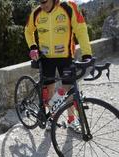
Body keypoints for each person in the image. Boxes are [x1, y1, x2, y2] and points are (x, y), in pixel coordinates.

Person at [24, 0, 92, 130]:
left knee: (69, 89)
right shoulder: (37, 12)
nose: (42, 6)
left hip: (65, 57)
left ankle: (71, 120)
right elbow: (28, 30)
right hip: (46, 59)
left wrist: (87, 54)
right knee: (49, 89)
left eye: (45, 2)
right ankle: (50, 117)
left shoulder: (68, 7)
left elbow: (81, 29)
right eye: (40, 2)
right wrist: (32, 47)